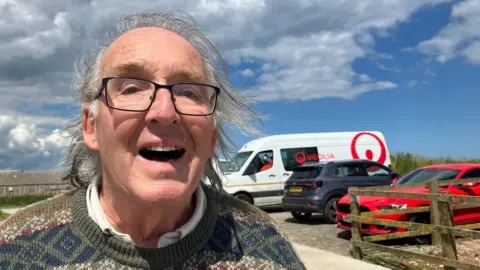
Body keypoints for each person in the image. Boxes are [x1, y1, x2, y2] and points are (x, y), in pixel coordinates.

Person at [0, 11, 306, 269]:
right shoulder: (16, 249)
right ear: (91, 127)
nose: (164, 111)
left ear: (211, 137)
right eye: (131, 88)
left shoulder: (268, 246)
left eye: (188, 92)